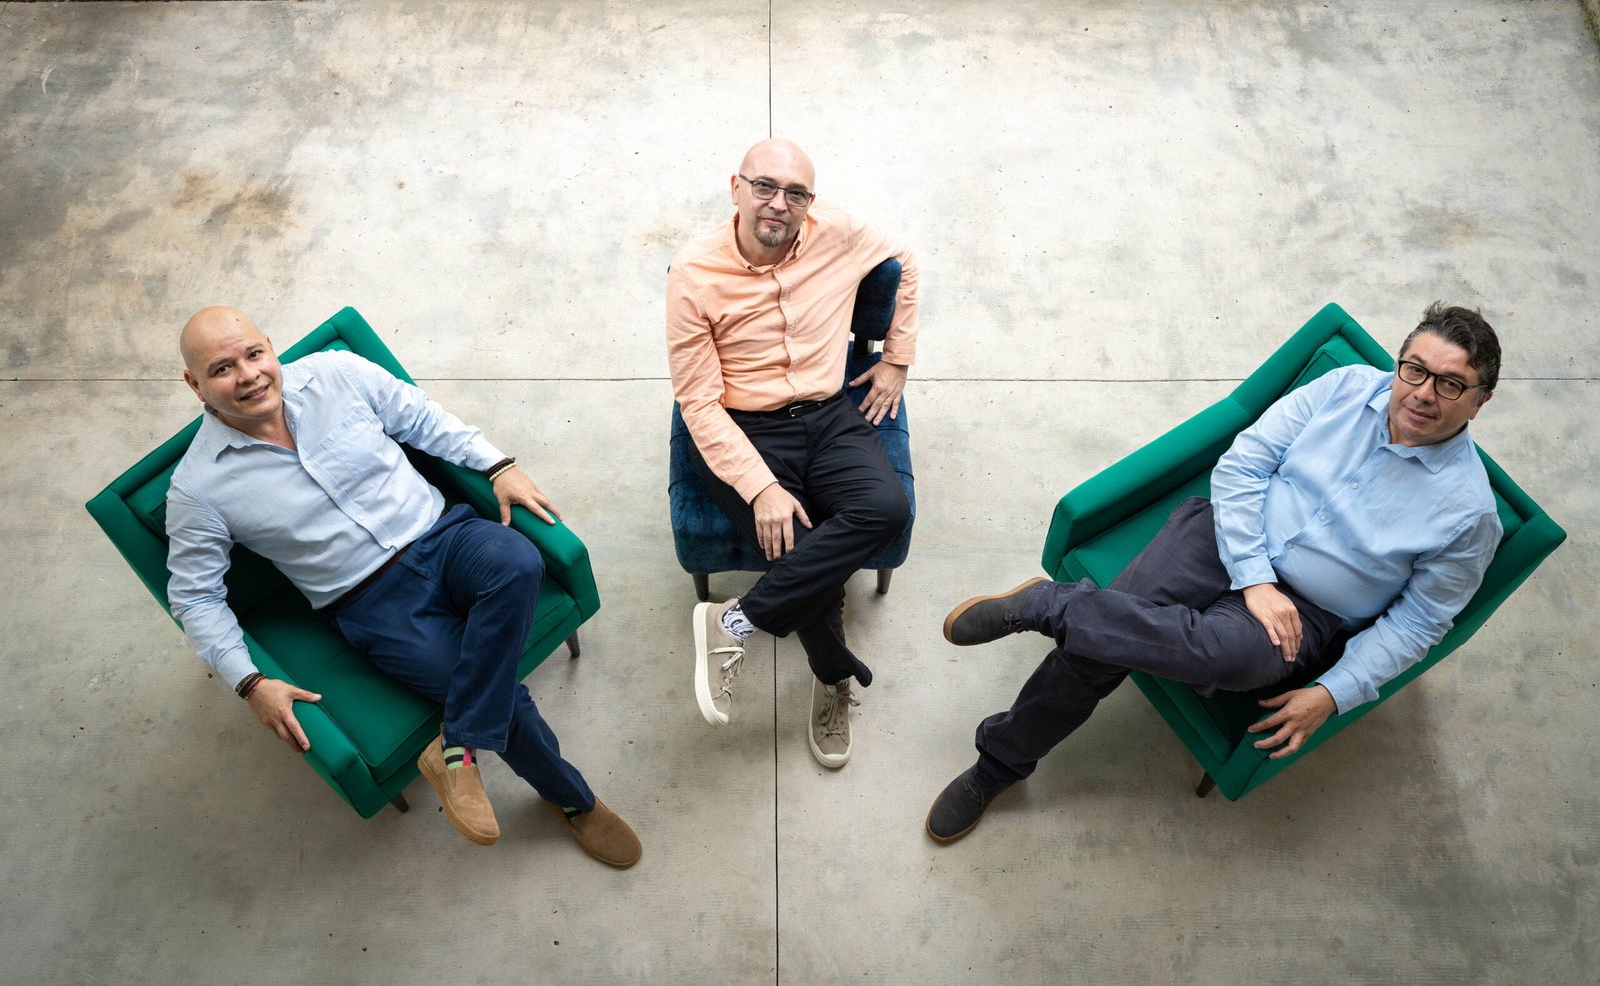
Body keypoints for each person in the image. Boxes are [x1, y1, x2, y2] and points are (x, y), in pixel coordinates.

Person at [927, 302, 1504, 843]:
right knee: (1096, 651)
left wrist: (1333, 693)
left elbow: (1419, 623)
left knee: (1216, 656)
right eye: (1414, 370)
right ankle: (998, 765)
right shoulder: (1345, 386)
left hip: (1307, 613)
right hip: (1228, 534)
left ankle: (1050, 604)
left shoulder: (1469, 513)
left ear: (1480, 400)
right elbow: (1244, 464)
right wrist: (1255, 578)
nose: (1423, 393)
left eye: (1450, 384)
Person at [165, 307, 640, 867]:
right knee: (502, 698)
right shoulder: (197, 488)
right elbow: (195, 596)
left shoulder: (336, 373)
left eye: (253, 354)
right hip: (371, 602)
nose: (248, 375)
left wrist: (497, 466)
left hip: (443, 537)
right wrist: (249, 683)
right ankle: (574, 801)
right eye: (222, 369)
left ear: (269, 346)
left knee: (517, 560)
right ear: (194, 384)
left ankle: (456, 745)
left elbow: (422, 418)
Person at [667, 139, 919, 767]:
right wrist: (760, 487)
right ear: (736, 188)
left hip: (829, 413)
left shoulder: (837, 231)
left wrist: (898, 358)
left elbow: (905, 258)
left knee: (888, 509)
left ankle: (733, 622)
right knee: (801, 554)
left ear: (810, 201)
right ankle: (833, 678)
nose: (779, 204)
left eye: (796, 193)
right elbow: (698, 403)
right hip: (742, 427)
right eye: (764, 187)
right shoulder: (694, 276)